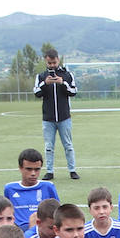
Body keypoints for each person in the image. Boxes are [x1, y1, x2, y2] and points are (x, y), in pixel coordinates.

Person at [35, 49, 78, 180]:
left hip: (64, 117)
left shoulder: (67, 74)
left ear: (58, 60)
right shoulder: (41, 76)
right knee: (49, 147)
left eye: (54, 62)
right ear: (45, 61)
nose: (52, 65)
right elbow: (36, 93)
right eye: (49, 63)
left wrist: (62, 83)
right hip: (48, 118)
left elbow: (74, 91)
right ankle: (49, 171)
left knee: (68, 145)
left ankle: (72, 170)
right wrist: (45, 84)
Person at [3, 149, 60, 231]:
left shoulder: (48, 187)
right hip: (18, 231)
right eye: (29, 169)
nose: (33, 173)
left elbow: (57, 212)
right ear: (20, 168)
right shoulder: (10, 188)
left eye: (37, 169)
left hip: (42, 230)